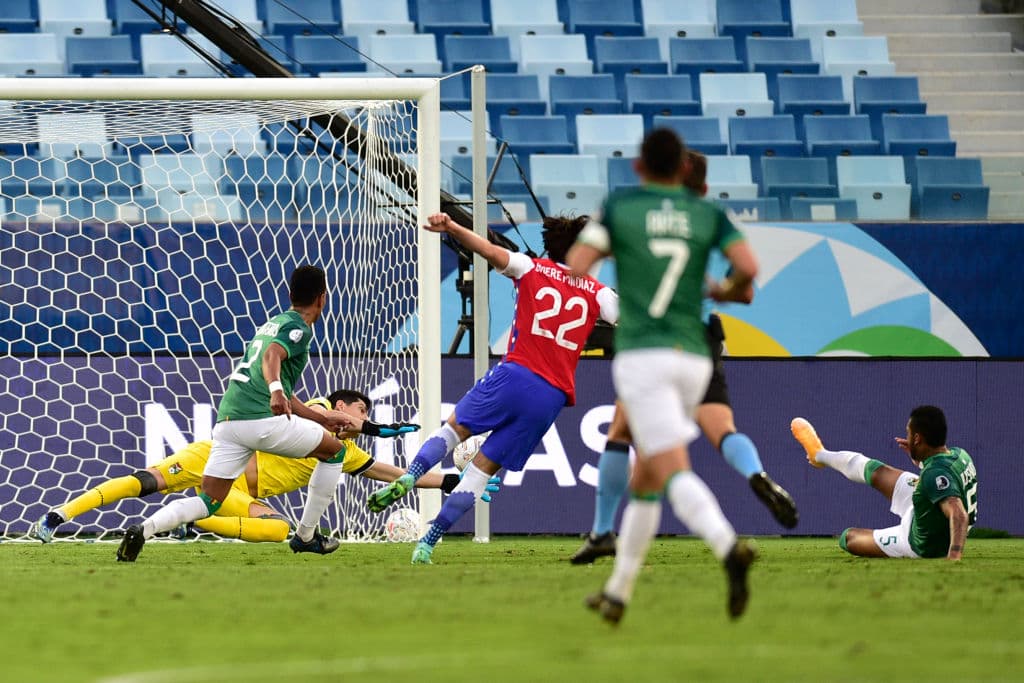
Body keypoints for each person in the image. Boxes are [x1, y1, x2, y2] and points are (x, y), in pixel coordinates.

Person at [566, 129, 759, 624]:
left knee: (669, 467)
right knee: (648, 478)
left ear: (639, 167)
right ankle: (618, 593)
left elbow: (577, 264)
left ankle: (728, 546)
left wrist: (627, 254)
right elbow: (748, 269)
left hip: (644, 355)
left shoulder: (622, 208)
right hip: (695, 356)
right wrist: (720, 288)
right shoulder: (706, 214)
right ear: (683, 170)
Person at [365, 214, 619, 565]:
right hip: (550, 397)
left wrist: (452, 227)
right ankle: (427, 543)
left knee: (452, 431)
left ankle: (410, 476)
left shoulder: (531, 268)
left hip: (516, 374)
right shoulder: (599, 291)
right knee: (481, 472)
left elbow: (487, 248)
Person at [115, 265, 415, 562]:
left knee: (209, 502)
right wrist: (274, 389)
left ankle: (144, 529)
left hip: (229, 422)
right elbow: (272, 356)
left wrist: (322, 418)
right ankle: (307, 536)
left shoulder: (274, 322)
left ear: (289, 293)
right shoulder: (298, 327)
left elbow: (284, 386)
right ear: (323, 298)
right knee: (335, 452)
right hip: (259, 420)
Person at [32, 390, 483, 544]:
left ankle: (191, 522)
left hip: (238, 492)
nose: (362, 418)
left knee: (279, 532)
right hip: (213, 456)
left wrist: (447, 479)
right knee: (143, 481)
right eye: (360, 410)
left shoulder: (340, 451)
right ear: (342, 405)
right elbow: (314, 409)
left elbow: (386, 473)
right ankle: (58, 516)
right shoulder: (319, 411)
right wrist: (357, 424)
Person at [790, 406, 976, 560]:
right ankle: (819, 454)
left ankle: (820, 455)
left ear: (918, 439)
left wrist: (954, 556)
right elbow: (943, 478)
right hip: (928, 508)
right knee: (877, 471)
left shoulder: (934, 474)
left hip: (919, 542)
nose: (908, 438)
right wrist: (920, 458)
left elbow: (958, 513)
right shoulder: (960, 454)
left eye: (909, 434)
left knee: (848, 538)